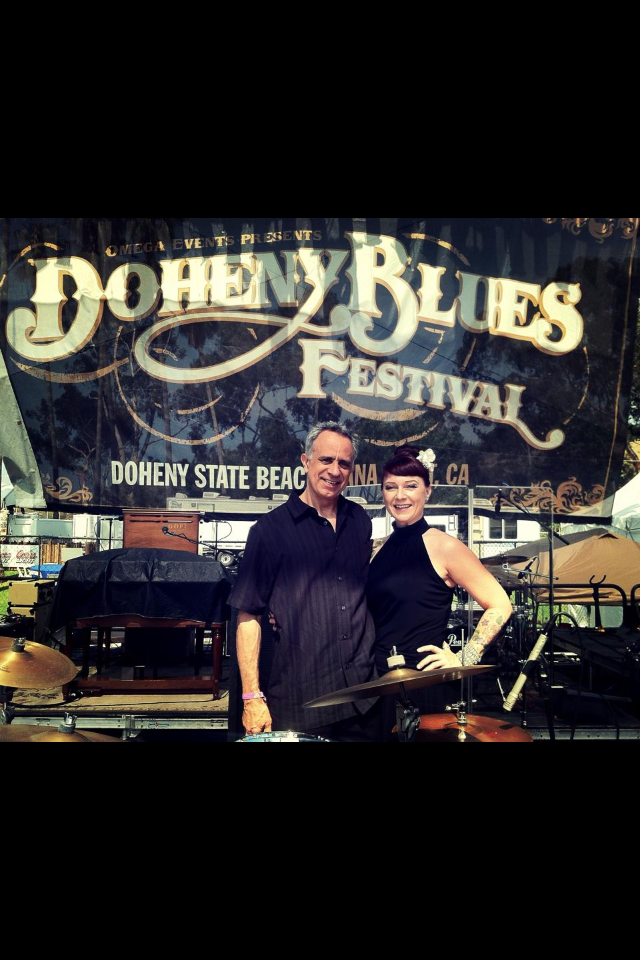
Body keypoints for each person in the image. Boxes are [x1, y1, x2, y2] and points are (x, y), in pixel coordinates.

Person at [230, 422, 379, 742]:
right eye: (326, 459)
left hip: (363, 698)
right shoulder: (269, 531)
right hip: (302, 703)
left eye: (344, 463)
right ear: (306, 461)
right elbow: (248, 617)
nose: (335, 471)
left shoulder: (359, 521)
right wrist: (251, 697)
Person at [367, 445, 512, 737]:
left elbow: (500, 604)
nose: (400, 495)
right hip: (377, 684)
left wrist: (464, 657)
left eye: (411, 486)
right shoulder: (377, 549)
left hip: (425, 686)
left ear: (427, 491)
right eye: (391, 487)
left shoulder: (445, 547)